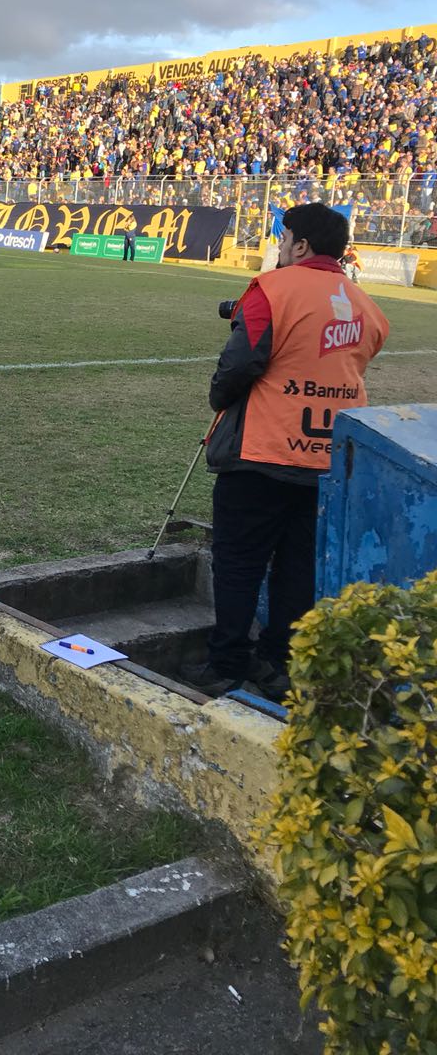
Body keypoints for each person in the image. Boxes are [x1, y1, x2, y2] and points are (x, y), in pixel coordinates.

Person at [182, 204, 389, 700]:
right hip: (329, 457)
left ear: (300, 246)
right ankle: (278, 663)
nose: (278, 247)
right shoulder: (366, 306)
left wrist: (219, 397)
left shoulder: (271, 289)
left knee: (238, 560)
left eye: (283, 238)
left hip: (263, 449)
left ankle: (227, 661)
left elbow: (239, 363)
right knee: (298, 565)